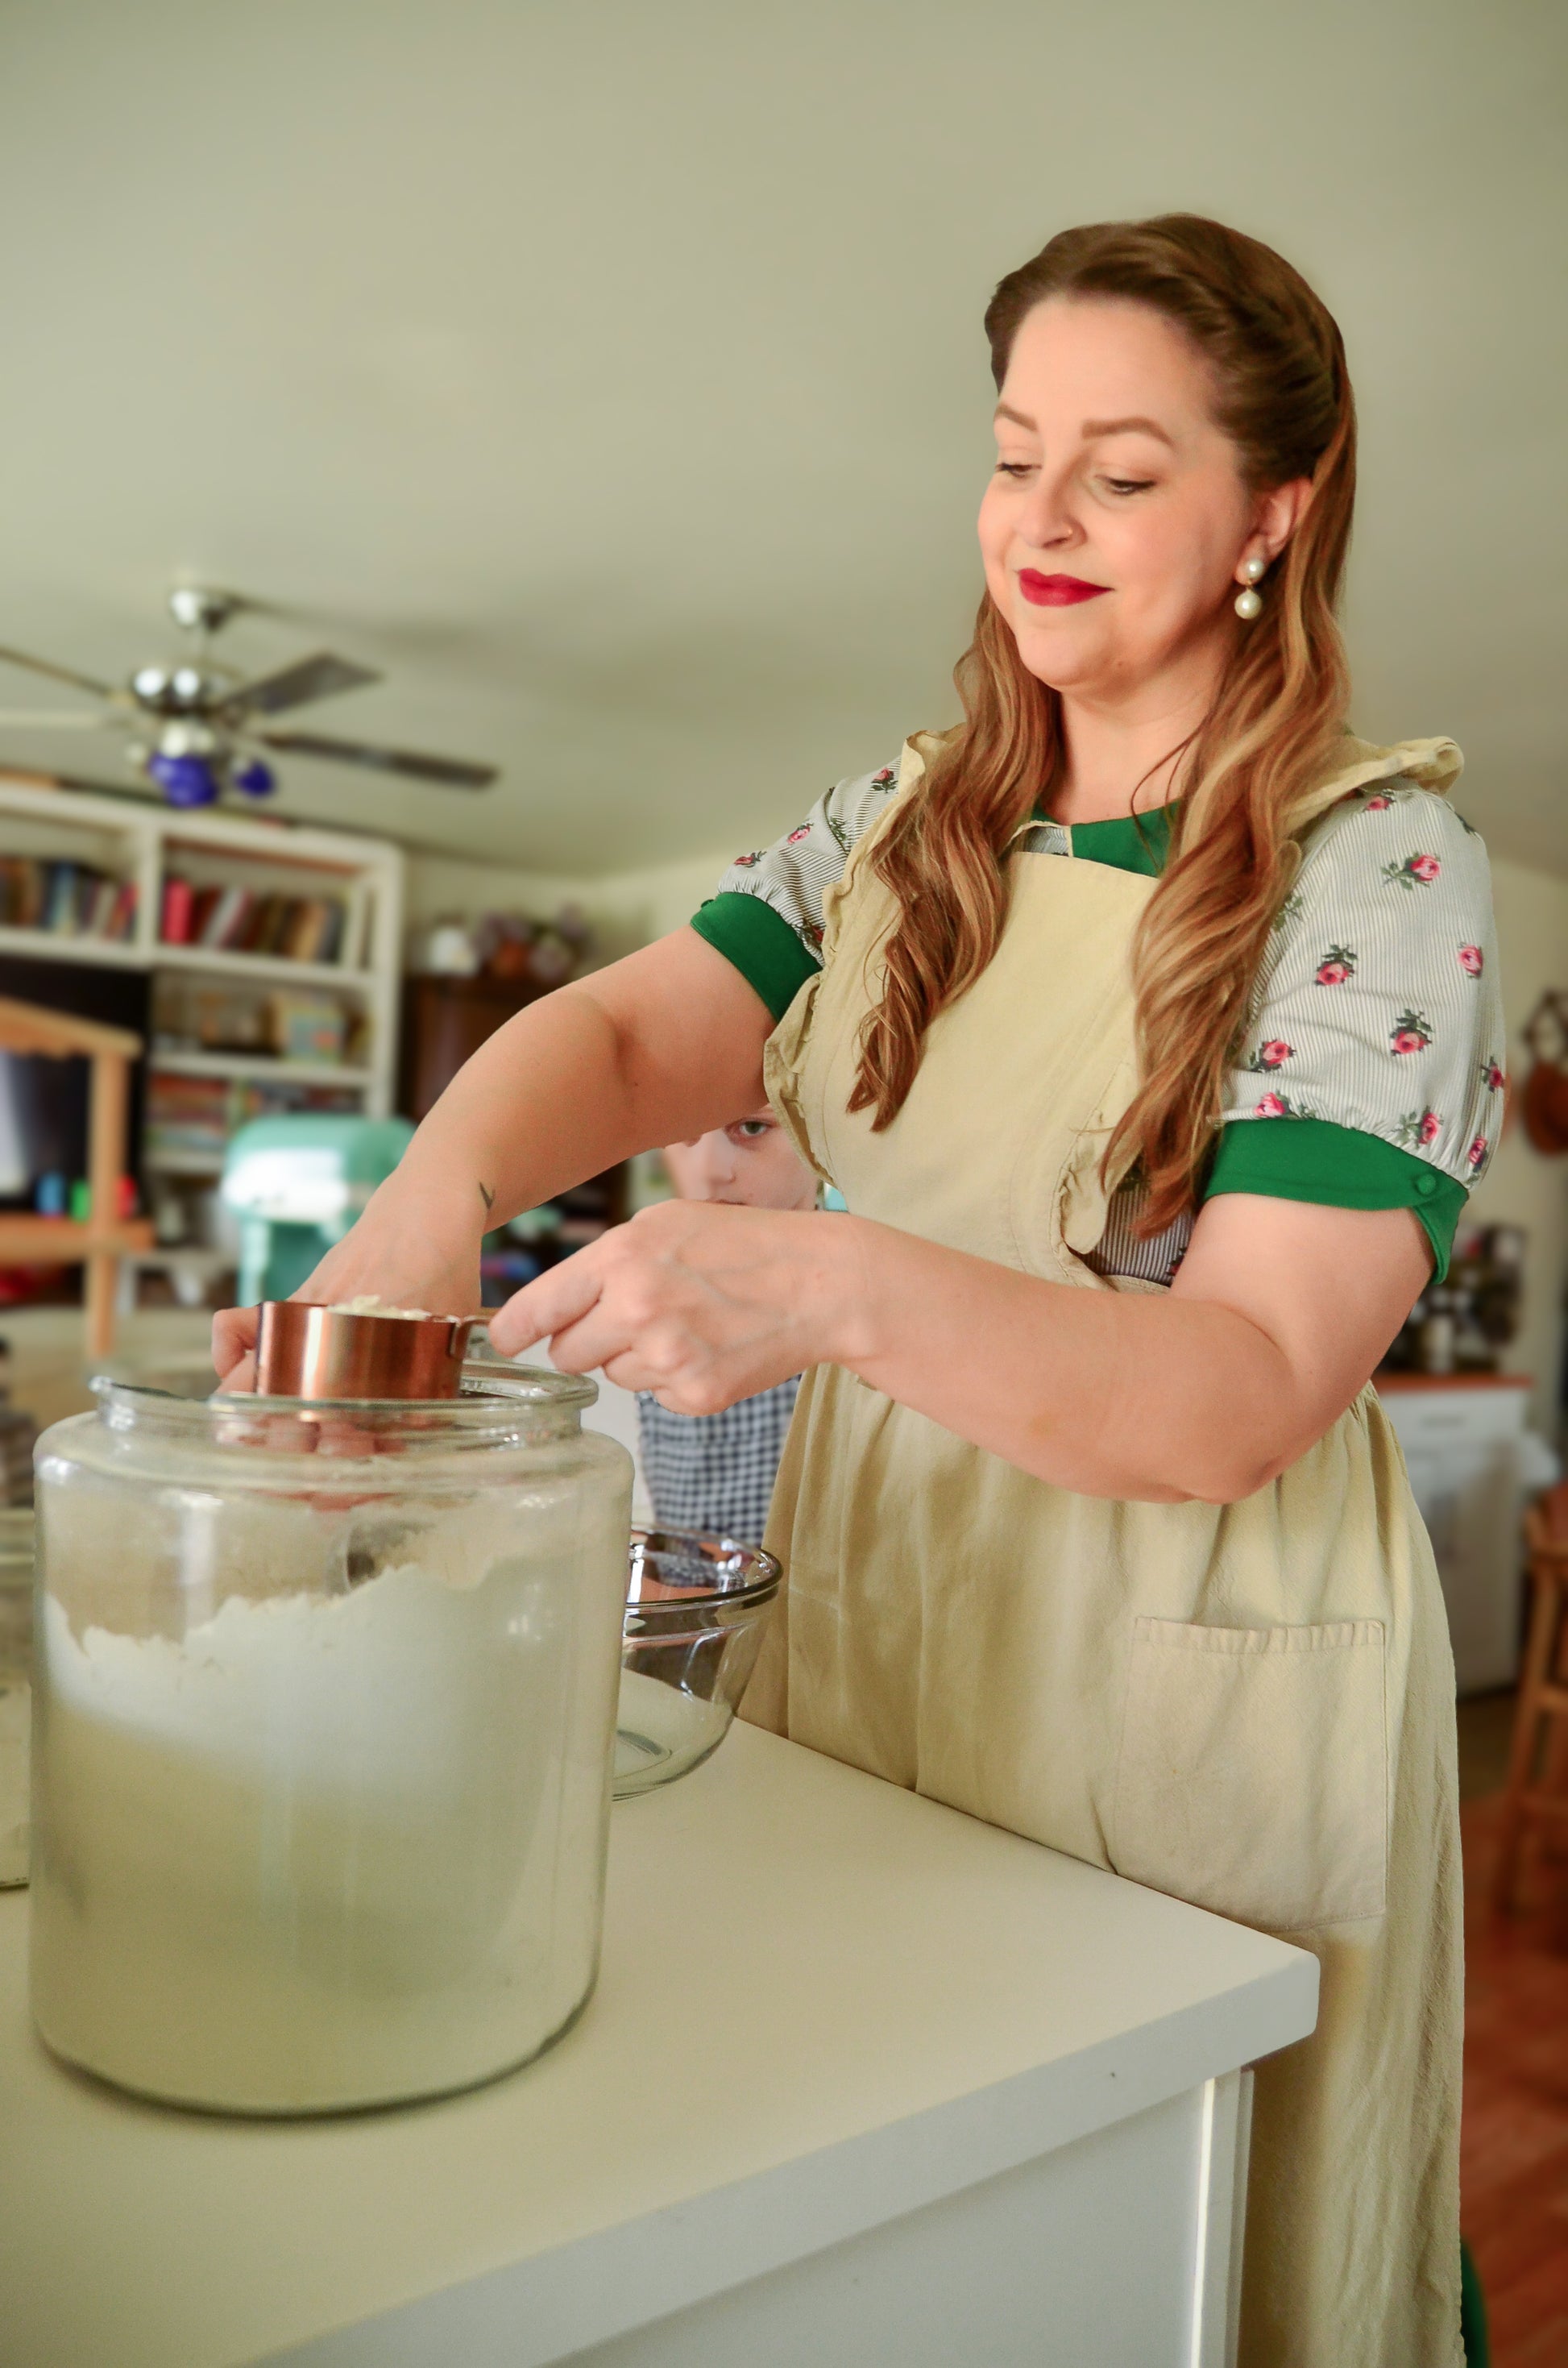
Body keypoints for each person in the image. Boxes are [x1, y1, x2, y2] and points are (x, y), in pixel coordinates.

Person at [217, 214, 1502, 2366]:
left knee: (1156, 2223)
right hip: (886, 1587)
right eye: (1013, 456)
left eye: (1124, 466)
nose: (1040, 520)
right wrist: (432, 1196)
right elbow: (630, 1044)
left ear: (1275, 507)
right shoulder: (898, 826)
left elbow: (1240, 1385)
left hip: (1184, 1652)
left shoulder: (1371, 864)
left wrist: (809, 1280)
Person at [637, 1111, 818, 1542]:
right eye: (684, 1134)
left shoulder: (870, 1286)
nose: (709, 1172)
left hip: (814, 1598)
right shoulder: (650, 1290)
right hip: (689, 1592)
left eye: (752, 1128)